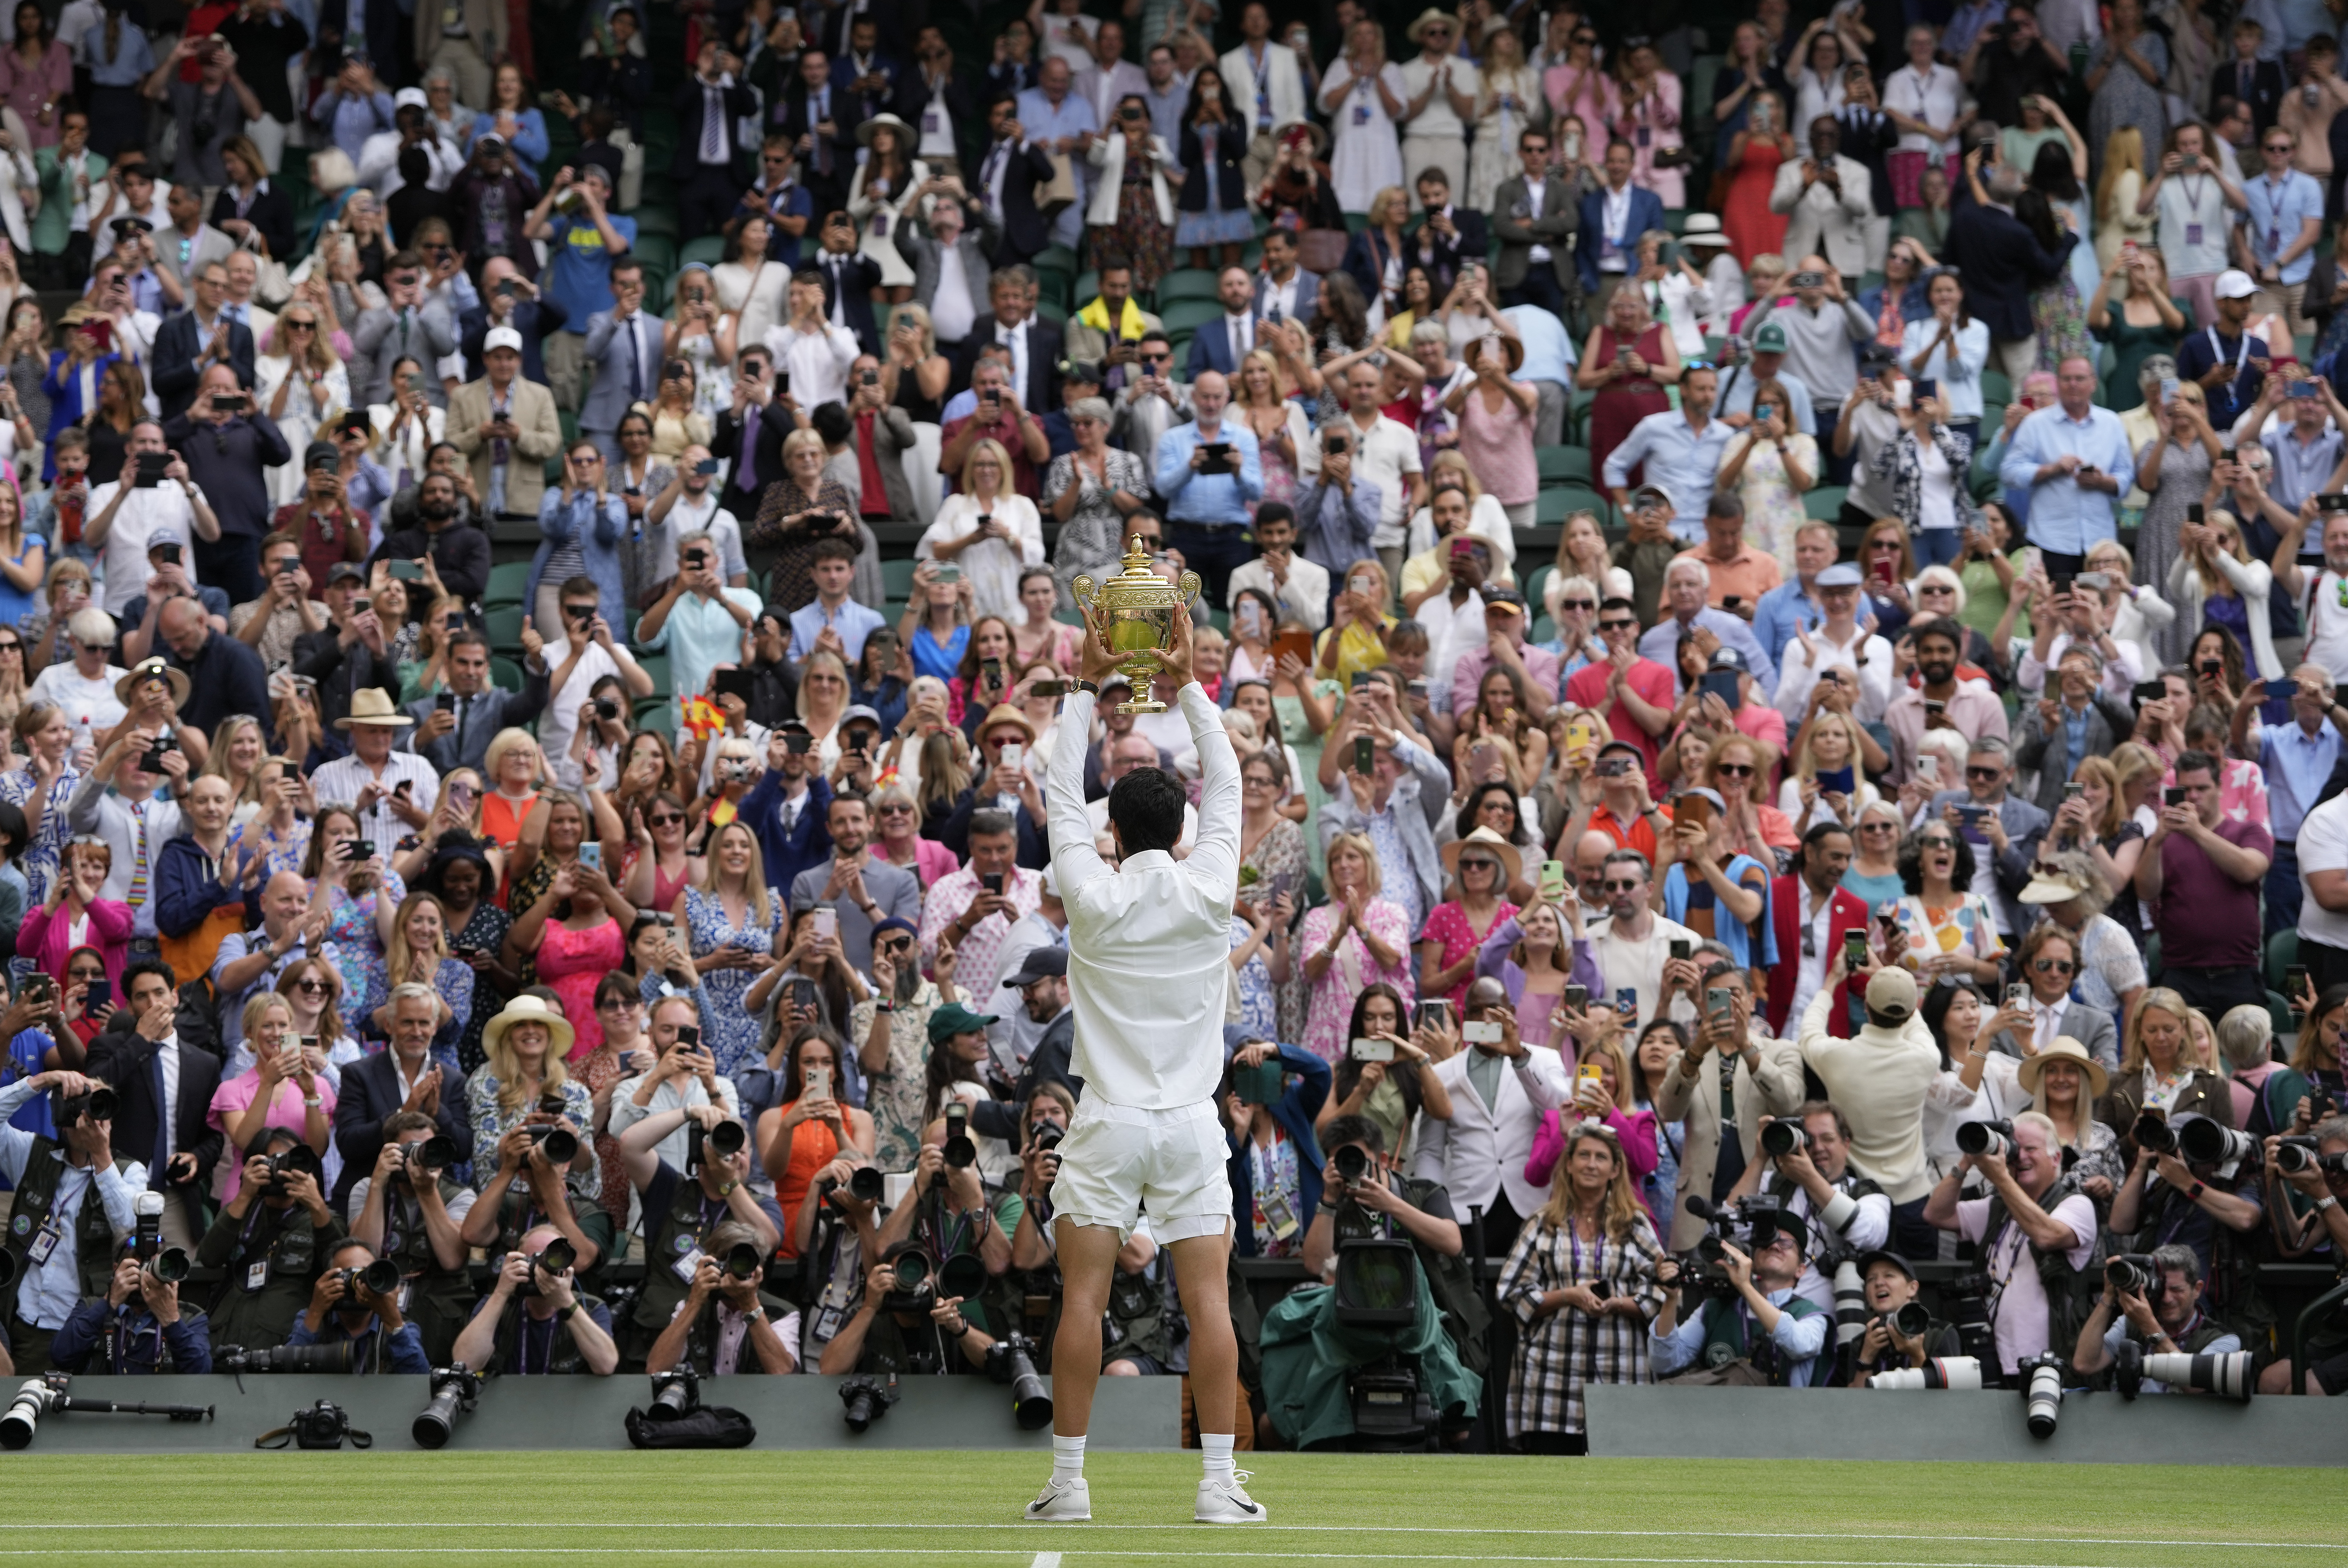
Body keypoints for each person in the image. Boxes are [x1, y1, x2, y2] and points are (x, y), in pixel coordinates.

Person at [1030, 605, 1258, 1524]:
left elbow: (1056, 785)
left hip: (1110, 1123)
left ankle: (1071, 1483)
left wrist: (1090, 686)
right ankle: (1216, 1486)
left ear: (1112, 833)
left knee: (1081, 1298)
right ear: (1184, 828)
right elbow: (1232, 776)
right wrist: (1188, 679)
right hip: (1189, 1127)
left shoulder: (1089, 893)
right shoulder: (1210, 890)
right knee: (1209, 1303)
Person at [1496, 1118, 1664, 1453]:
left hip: (1619, 1370)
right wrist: (1567, 1296)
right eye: (1583, 1155)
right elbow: (1511, 1291)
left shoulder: (1635, 1223)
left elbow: (1661, 1289)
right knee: (1551, 1490)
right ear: (1569, 1164)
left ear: (1616, 1169)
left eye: (1601, 1157)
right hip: (1551, 1377)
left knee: (1619, 1494)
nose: (1591, 1164)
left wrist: (1618, 1303)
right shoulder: (1543, 1223)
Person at [1923, 1110, 2100, 1380]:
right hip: (1991, 1359)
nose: (2021, 1157)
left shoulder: (2076, 1205)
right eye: (2015, 1150)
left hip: (2048, 1363)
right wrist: (1967, 1162)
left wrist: (2001, 1178)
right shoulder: (1997, 1208)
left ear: (2055, 1158)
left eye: (2031, 1149)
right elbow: (1936, 1214)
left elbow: (2046, 1235)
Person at [2135, 748, 2272, 1016]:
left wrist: (2196, 831)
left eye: (2202, 788)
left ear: (2220, 788)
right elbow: (2146, 891)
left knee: (2247, 1056)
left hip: (2238, 972)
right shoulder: (2163, 840)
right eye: (2185, 789)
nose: (2194, 796)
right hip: (2180, 974)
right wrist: (2157, 842)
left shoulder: (2248, 831)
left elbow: (2249, 869)